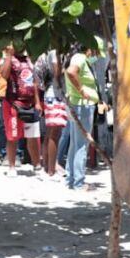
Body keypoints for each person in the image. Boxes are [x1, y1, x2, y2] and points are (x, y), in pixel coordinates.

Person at [0, 43, 42, 177]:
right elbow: (4, 75)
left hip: (30, 104)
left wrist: (37, 102)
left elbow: (34, 81)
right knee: (12, 136)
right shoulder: (8, 59)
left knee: (33, 136)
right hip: (13, 103)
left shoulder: (29, 60)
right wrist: (9, 55)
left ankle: (37, 166)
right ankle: (11, 166)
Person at [64, 38, 102, 190]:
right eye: (96, 52)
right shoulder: (80, 58)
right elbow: (71, 72)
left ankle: (71, 179)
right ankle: (79, 182)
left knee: (75, 144)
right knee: (82, 145)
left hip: (78, 106)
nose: (97, 56)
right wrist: (82, 90)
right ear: (90, 49)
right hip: (82, 107)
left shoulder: (77, 58)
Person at [36, 49, 67, 177]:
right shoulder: (55, 53)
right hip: (56, 95)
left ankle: (47, 167)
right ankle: (51, 170)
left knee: (50, 133)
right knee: (54, 134)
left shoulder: (49, 52)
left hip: (51, 95)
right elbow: (57, 74)